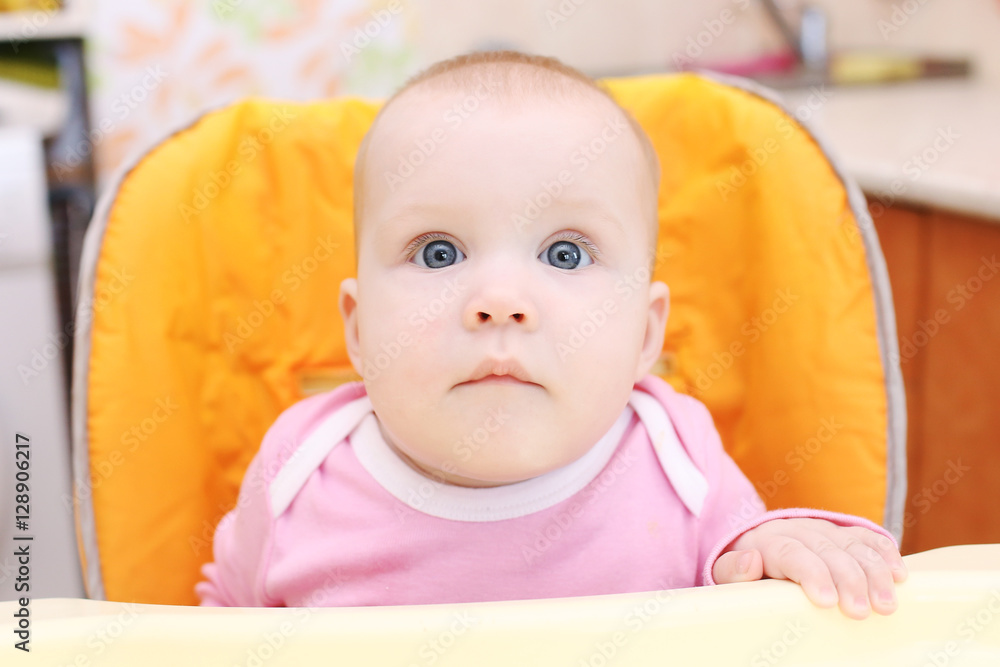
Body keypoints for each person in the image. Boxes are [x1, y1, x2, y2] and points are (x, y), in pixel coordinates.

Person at [196, 50, 906, 619]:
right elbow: (210, 629)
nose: (500, 302)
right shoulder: (299, 471)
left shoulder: (678, 460)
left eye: (565, 253)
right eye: (438, 251)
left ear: (645, 336)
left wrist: (777, 548)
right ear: (356, 328)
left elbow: (745, 574)